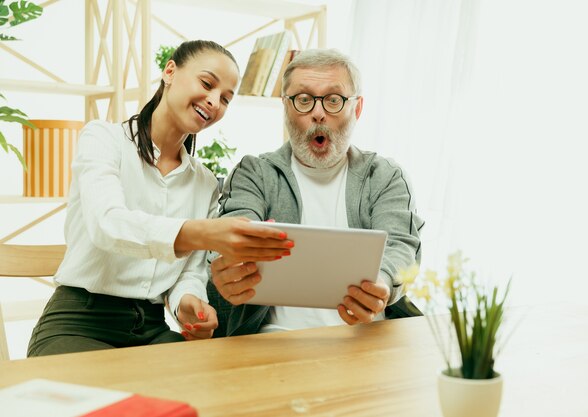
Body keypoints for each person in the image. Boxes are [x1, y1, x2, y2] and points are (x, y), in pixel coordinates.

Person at [27, 40, 292, 357]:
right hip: (78, 322)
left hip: (152, 329)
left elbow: (190, 273)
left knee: (211, 390)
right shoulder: (103, 139)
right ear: (170, 71)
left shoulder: (205, 182)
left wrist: (188, 304)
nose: (213, 101)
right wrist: (203, 232)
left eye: (225, 98)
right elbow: (107, 224)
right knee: (106, 406)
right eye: (206, 84)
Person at [207, 48, 425, 337]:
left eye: (334, 100)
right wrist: (231, 265)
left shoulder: (385, 176)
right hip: (271, 343)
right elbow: (232, 233)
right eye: (304, 100)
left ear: (356, 109)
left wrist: (381, 285)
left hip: (367, 342)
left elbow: (401, 247)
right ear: (286, 106)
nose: (318, 113)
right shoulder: (254, 173)